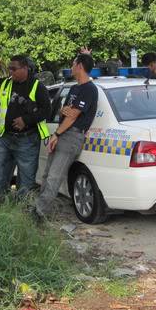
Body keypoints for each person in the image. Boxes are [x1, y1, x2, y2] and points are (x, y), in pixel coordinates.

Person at [32, 53, 98, 220]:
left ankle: (39, 213)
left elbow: (73, 114)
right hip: (63, 133)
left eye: (74, 63)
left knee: (54, 176)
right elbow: (65, 110)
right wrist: (65, 112)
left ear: (80, 66)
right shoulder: (75, 88)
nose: (72, 66)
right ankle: (40, 208)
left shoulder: (90, 89)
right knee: (47, 175)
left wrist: (57, 133)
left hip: (71, 136)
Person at [0, 55, 51, 201]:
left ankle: (21, 209)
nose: (11, 72)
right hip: (4, 137)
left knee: (26, 180)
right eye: (9, 68)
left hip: (27, 140)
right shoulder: (6, 83)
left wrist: (26, 120)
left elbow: (46, 111)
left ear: (25, 68)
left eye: (14, 69)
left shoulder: (37, 87)